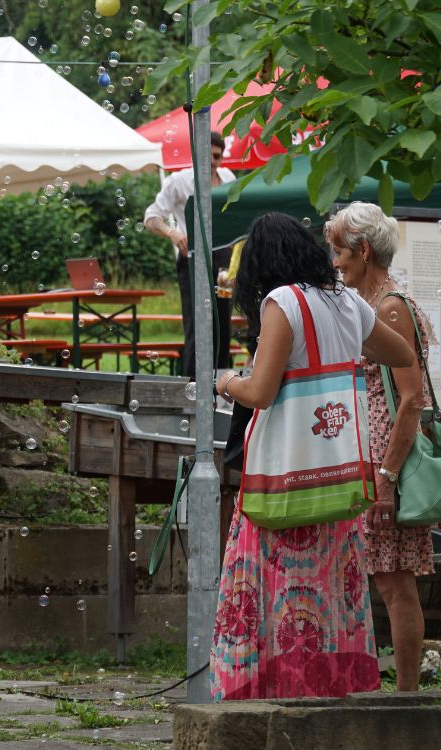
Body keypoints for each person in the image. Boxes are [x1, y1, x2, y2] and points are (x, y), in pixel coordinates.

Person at [209, 212, 414, 700]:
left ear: (261, 264)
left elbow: (259, 392)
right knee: (328, 596)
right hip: (336, 479)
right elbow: (403, 355)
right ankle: (328, 690)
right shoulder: (345, 300)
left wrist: (225, 381)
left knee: (271, 592)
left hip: (283, 479)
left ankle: (264, 692)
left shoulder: (281, 302)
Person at [326, 201, 434, 691]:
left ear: (364, 250)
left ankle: (408, 696)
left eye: (340, 252)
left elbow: (411, 399)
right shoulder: (374, 306)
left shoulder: (390, 308)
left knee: (395, 583)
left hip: (388, 465)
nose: (335, 263)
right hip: (373, 461)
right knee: (386, 579)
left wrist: (387, 480)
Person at [144, 131, 236, 378]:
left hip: (224, 258)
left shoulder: (227, 178)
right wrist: (172, 233)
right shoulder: (179, 180)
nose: (212, 162)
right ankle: (194, 388)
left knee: (222, 326)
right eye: (207, 157)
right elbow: (151, 217)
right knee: (198, 325)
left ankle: (221, 387)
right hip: (193, 257)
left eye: (217, 157)